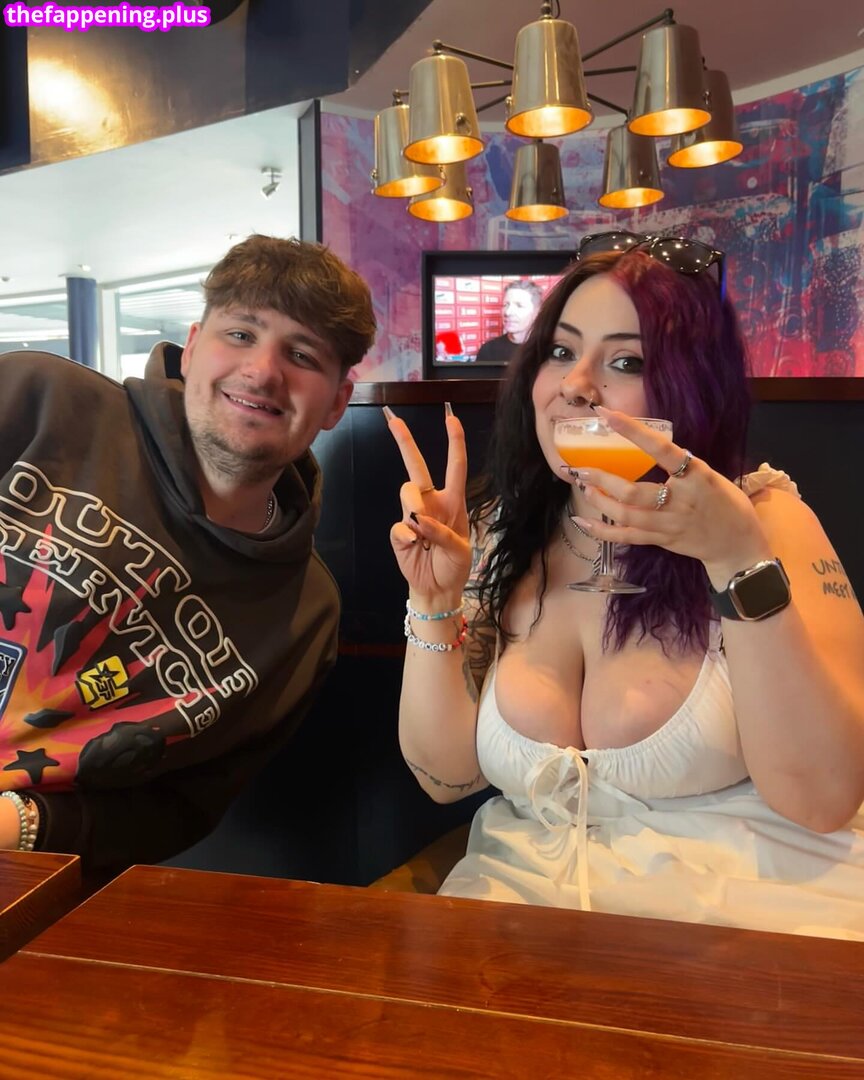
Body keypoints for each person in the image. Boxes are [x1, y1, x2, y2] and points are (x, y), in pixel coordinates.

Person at [385, 232, 864, 940]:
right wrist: (433, 600)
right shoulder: (499, 533)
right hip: (523, 928)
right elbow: (445, 777)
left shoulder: (766, 523)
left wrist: (734, 560)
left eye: (626, 362)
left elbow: (823, 800)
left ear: (691, 389)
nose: (576, 384)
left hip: (746, 928)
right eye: (560, 351)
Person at [0, 234, 376, 877]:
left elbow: (179, 808)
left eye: (301, 354)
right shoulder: (39, 399)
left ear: (338, 402)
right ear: (194, 346)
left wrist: (22, 825)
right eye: (241, 334)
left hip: (33, 875)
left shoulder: (305, 616)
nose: (263, 371)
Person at [475, 279, 542, 365]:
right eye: (506, 305)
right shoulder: (488, 350)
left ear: (537, 312)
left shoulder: (547, 350)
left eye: (519, 306)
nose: (508, 312)